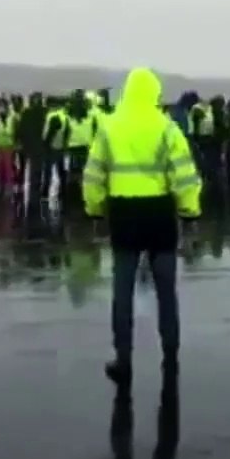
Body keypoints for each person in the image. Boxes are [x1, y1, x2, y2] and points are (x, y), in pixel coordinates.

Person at [84, 68, 201, 386]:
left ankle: (123, 360)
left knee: (122, 291)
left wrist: (95, 211)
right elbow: (184, 173)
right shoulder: (167, 128)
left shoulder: (109, 127)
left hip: (123, 214)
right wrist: (189, 213)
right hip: (160, 214)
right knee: (166, 291)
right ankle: (171, 357)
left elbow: (94, 175)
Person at [65, 92, 95, 200]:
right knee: (85, 173)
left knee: (72, 174)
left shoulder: (68, 117)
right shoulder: (91, 116)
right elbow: (94, 132)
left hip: (72, 148)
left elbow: (66, 133)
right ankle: (85, 195)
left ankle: (72, 196)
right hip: (86, 148)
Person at [41, 96, 69, 201]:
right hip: (60, 146)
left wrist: (45, 144)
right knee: (61, 171)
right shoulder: (65, 116)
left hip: (51, 147)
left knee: (48, 171)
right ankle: (63, 192)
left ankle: (45, 193)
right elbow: (67, 132)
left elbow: (49, 132)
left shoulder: (52, 116)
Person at [0, 98, 17, 194]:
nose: (2, 108)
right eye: (0, 106)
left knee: (8, 167)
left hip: (8, 144)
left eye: (3, 106)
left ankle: (8, 186)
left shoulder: (12, 117)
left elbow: (14, 130)